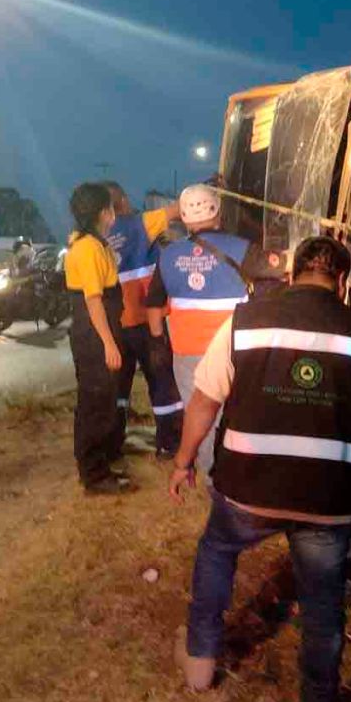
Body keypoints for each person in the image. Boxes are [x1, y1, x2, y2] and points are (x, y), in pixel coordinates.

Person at [169, 236, 351, 702]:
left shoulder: (245, 322)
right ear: (342, 283)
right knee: (322, 603)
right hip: (331, 497)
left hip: (248, 487)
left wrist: (183, 461)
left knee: (217, 552)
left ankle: (200, 663)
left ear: (291, 275)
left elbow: (204, 401)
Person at [145, 184, 284, 476]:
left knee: (201, 415)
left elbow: (154, 307)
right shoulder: (242, 248)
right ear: (218, 213)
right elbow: (282, 267)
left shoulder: (168, 255)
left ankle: (214, 477)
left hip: (188, 354)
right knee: (242, 412)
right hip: (234, 350)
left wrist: (158, 343)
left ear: (183, 218)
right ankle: (246, 472)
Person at [102, 181, 184, 459]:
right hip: (147, 320)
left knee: (118, 387)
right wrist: (207, 191)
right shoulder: (139, 223)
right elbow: (179, 209)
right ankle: (169, 443)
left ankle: (113, 442)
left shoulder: (95, 237)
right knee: (162, 382)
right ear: (123, 201)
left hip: (115, 324)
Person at [63, 183, 134, 495]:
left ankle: (99, 463)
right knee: (96, 402)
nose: (114, 213)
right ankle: (94, 475)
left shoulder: (94, 243)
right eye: (111, 208)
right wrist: (108, 343)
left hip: (98, 328)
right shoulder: (88, 248)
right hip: (93, 334)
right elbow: (93, 301)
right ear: (103, 212)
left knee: (102, 400)